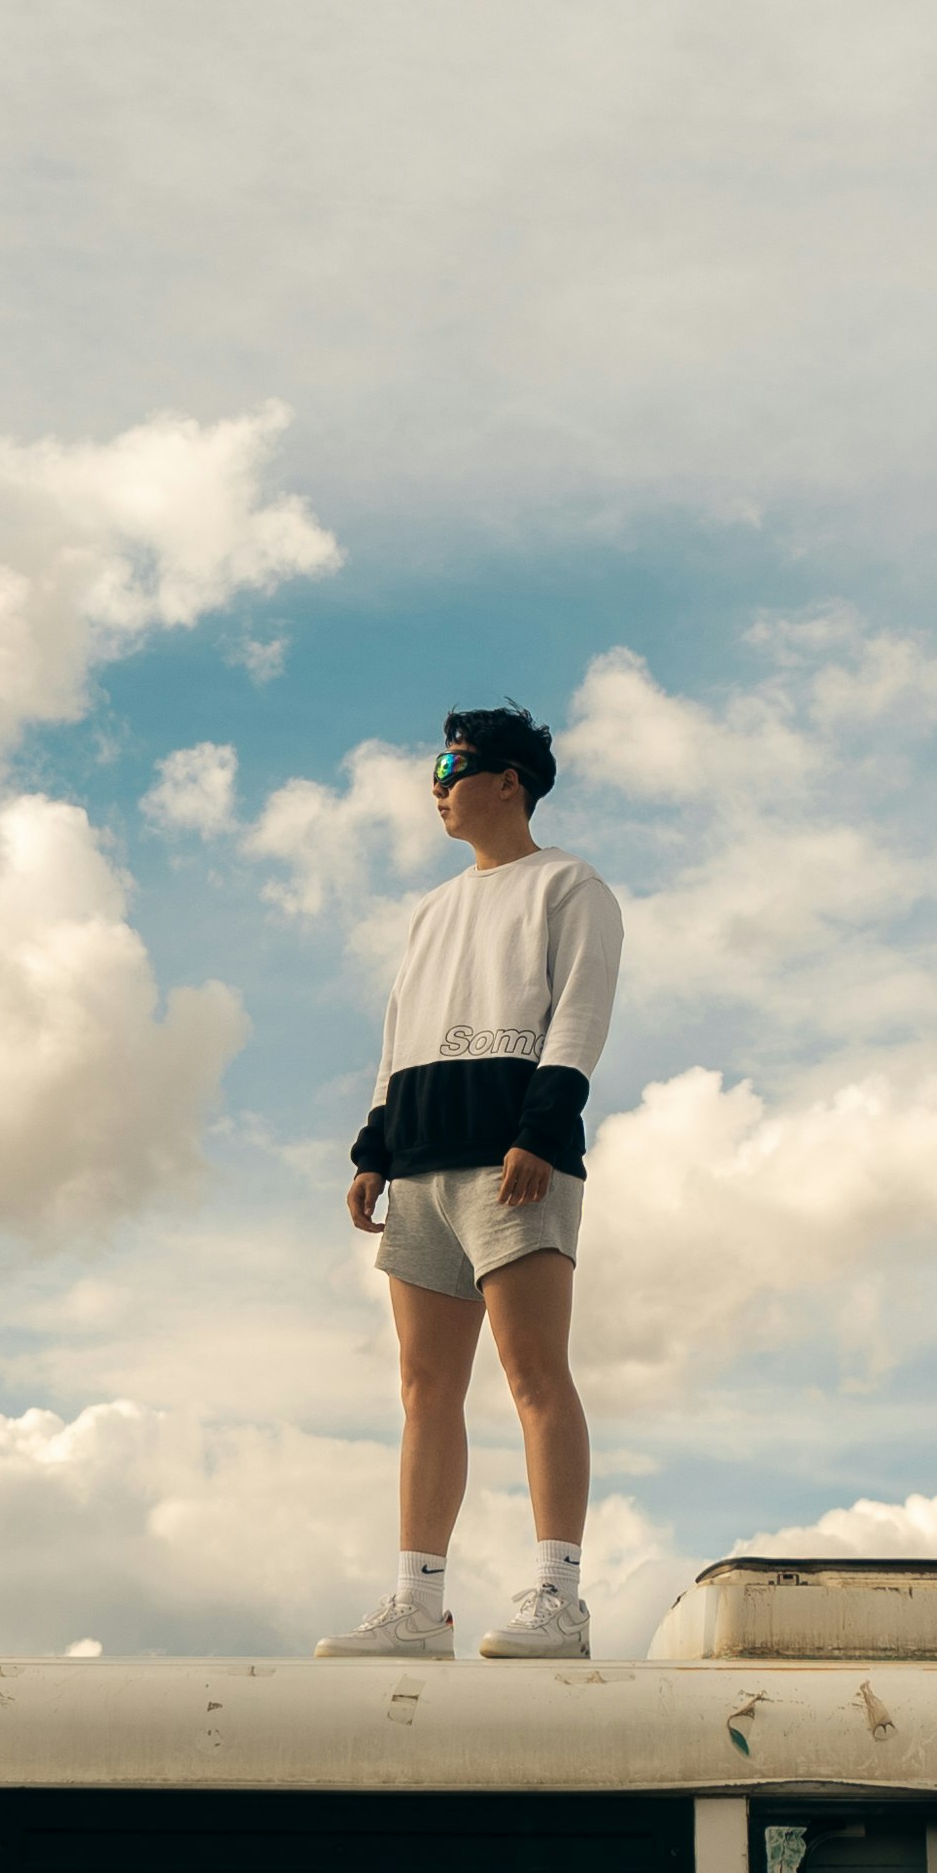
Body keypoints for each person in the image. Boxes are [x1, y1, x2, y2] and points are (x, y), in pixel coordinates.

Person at [316, 704, 623, 1661]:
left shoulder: (569, 886)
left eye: (454, 764)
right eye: (435, 768)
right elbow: (398, 1035)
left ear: (509, 780)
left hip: (512, 1165)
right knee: (423, 1387)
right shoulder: (431, 909)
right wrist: (374, 1148)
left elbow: (578, 1015)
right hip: (421, 1168)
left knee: (535, 1374)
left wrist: (540, 1129)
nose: (438, 785)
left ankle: (558, 1601)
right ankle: (417, 1607)